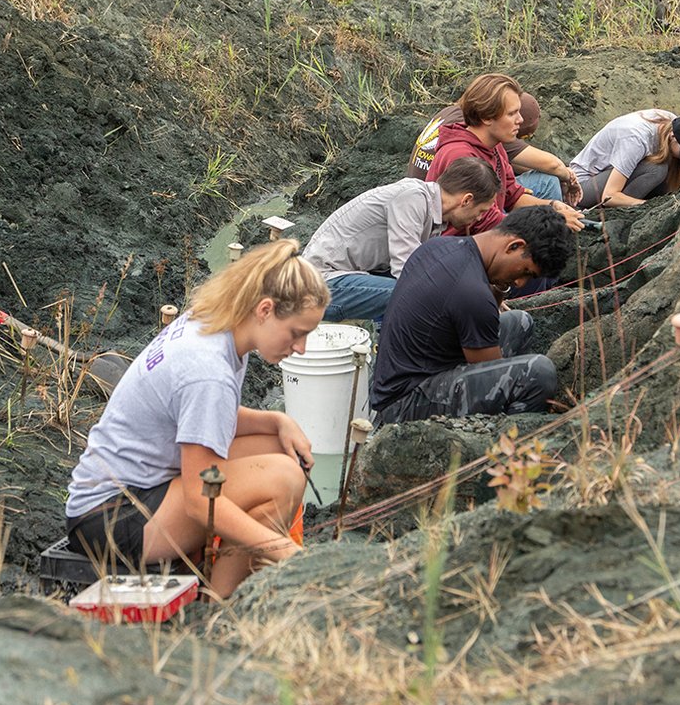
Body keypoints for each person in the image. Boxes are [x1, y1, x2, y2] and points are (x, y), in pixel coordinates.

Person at [64, 241, 328, 597]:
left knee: (275, 447)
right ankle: (219, 605)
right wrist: (285, 552)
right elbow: (201, 499)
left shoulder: (218, 324)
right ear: (265, 310)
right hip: (112, 517)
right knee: (282, 478)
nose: (301, 348)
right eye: (297, 333)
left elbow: (201, 417)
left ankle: (214, 573)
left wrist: (276, 422)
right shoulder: (209, 371)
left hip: (140, 489)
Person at [369, 208, 577, 426]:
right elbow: (494, 376)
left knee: (520, 322)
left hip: (402, 379)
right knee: (538, 373)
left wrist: (500, 287)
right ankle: (502, 444)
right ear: (514, 246)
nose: (520, 283)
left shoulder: (440, 246)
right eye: (526, 272)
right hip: (404, 405)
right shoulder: (471, 292)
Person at [303, 158, 499, 324]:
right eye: (481, 211)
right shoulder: (412, 198)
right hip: (319, 285)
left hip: (348, 276)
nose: (480, 218)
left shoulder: (435, 214)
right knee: (415, 297)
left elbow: (430, 268)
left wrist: (477, 291)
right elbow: (407, 269)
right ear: (466, 200)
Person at [424, 74, 585, 234]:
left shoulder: (495, 146)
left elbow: (512, 196)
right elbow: (486, 224)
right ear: (487, 117)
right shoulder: (461, 156)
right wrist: (549, 219)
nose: (520, 120)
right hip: (458, 244)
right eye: (512, 114)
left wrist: (551, 206)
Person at [408, 87, 581, 205]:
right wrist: (568, 177)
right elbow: (552, 164)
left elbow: (513, 169)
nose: (517, 122)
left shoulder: (454, 114)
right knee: (547, 182)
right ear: (490, 116)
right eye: (512, 114)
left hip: (419, 195)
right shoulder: (483, 133)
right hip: (447, 212)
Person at [567, 110, 680, 208]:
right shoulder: (636, 139)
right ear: (673, 137)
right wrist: (646, 206)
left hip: (610, 176)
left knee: (666, 170)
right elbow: (609, 196)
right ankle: (617, 212)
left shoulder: (672, 124)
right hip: (580, 188)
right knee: (657, 169)